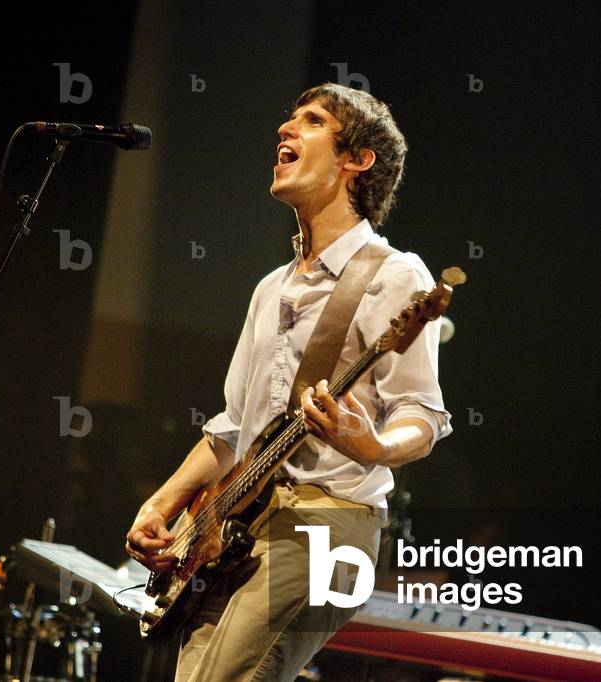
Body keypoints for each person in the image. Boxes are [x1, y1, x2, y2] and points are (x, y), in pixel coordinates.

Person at [125, 82, 451, 682]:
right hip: (232, 526)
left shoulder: (395, 275)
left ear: (357, 160)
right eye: (289, 120)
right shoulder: (271, 288)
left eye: (312, 121)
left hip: (329, 520)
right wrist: (165, 501)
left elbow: (422, 414)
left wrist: (373, 446)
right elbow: (232, 430)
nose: (285, 130)